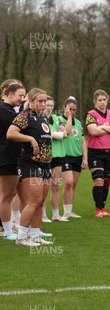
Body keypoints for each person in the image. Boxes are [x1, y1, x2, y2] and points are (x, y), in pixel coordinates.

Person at [7, 88, 53, 246]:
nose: (43, 104)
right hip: (30, 163)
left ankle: (35, 235)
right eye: (39, 101)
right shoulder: (25, 115)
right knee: (33, 201)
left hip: (45, 164)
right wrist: (30, 140)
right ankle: (21, 237)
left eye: (44, 101)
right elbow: (11, 133)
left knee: (40, 201)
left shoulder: (44, 118)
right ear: (31, 101)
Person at [86, 89, 110, 218]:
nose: (102, 102)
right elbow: (93, 131)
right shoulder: (91, 114)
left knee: (106, 181)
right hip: (95, 152)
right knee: (99, 180)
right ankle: (98, 209)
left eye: (104, 100)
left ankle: (103, 207)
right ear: (95, 101)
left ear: (107, 100)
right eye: (99, 100)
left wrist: (101, 127)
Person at [0, 81, 26, 240]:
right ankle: (7, 231)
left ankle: (26, 229)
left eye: (24, 96)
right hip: (6, 158)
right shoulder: (4, 111)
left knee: (22, 195)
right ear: (9, 94)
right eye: (20, 96)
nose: (22, 99)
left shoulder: (11, 110)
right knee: (6, 196)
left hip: (17, 158)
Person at [43, 96, 72, 221]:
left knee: (55, 185)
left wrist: (58, 133)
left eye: (51, 105)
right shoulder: (39, 118)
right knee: (44, 186)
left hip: (58, 154)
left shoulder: (56, 118)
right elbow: (47, 135)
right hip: (45, 155)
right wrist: (57, 134)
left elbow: (65, 133)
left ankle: (56, 215)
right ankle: (43, 215)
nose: (49, 108)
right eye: (47, 105)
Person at [59, 97, 87, 219]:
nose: (72, 111)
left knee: (74, 184)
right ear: (64, 108)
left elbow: (82, 141)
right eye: (70, 109)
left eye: (74, 109)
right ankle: (65, 211)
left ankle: (70, 210)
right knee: (68, 182)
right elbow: (67, 132)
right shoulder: (59, 120)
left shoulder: (79, 123)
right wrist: (69, 117)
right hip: (65, 156)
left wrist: (85, 158)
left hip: (77, 156)